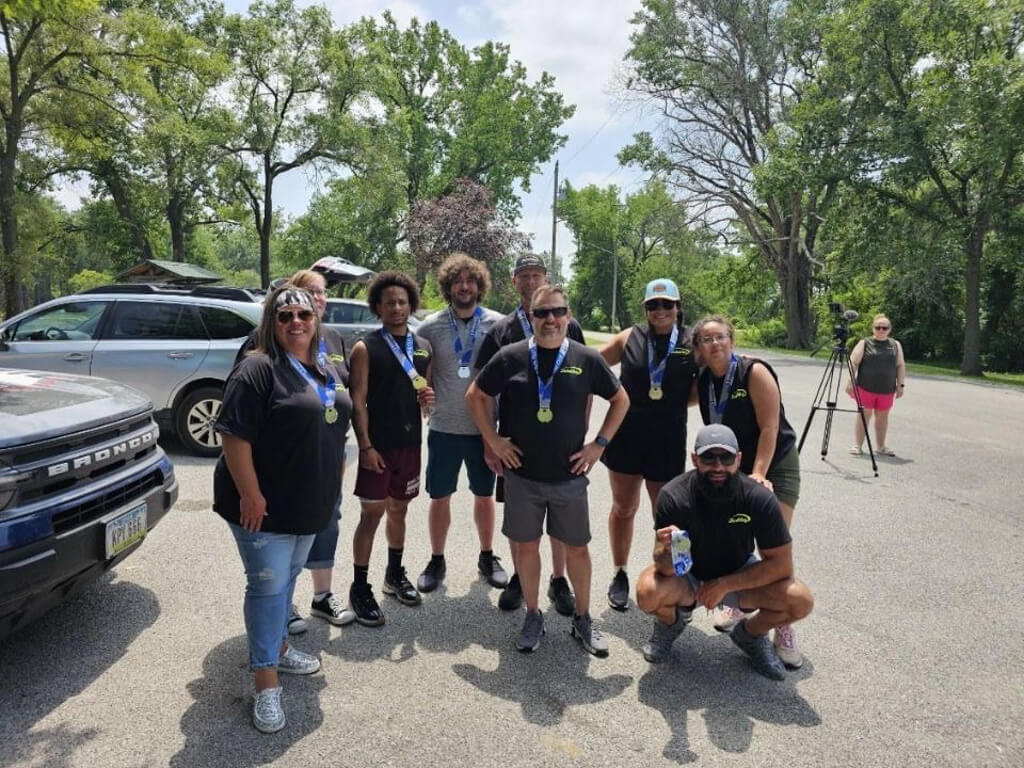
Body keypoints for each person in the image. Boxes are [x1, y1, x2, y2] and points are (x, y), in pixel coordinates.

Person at [214, 285, 351, 732]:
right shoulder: (257, 368)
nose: (296, 322)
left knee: (288, 579)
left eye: (304, 315)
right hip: (264, 505)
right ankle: (266, 684)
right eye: (285, 315)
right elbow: (233, 435)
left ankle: (279, 649)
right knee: (268, 588)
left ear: (316, 321)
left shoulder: (325, 365)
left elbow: (335, 425)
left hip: (308, 502)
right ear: (271, 322)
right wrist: (251, 495)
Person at [467, 285, 630, 656]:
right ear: (532, 317)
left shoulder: (586, 358)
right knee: (526, 548)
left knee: (577, 550)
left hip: (569, 477)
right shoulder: (510, 356)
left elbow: (620, 399)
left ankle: (583, 619)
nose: (550, 319)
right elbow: (475, 395)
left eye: (557, 311)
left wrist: (599, 445)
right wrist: (493, 441)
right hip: (522, 476)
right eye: (541, 313)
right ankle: (533, 614)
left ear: (568, 316)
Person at [635, 424, 813, 679]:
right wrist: (666, 551)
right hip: (690, 575)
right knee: (647, 592)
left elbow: (781, 566)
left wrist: (724, 585)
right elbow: (665, 568)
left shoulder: (759, 497)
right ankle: (670, 624)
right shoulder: (673, 496)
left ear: (738, 459)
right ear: (694, 459)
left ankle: (751, 635)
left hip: (738, 574)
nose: (718, 466)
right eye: (708, 458)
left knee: (800, 600)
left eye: (726, 458)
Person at [237, 269, 355, 633]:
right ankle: (283, 608)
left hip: (325, 460)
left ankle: (322, 596)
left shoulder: (333, 338)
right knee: (280, 552)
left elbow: (343, 393)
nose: (317, 299)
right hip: (284, 469)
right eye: (309, 293)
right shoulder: (261, 347)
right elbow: (243, 415)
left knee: (327, 525)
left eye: (321, 294)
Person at [475, 253, 586, 616]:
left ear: (546, 278)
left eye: (536, 274)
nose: (530, 281)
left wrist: (585, 435)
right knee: (520, 522)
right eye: (524, 275)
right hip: (515, 443)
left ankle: (558, 579)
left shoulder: (570, 325)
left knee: (560, 519)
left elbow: (586, 387)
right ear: (514, 282)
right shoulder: (502, 330)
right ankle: (521, 580)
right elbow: (482, 391)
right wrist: (491, 442)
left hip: (562, 446)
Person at [692, 314, 804, 668]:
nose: (715, 344)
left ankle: (782, 626)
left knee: (774, 548)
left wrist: (758, 474)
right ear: (699, 348)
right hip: (731, 468)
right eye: (707, 339)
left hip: (775, 464)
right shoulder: (704, 379)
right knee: (737, 540)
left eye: (720, 337)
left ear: (732, 340)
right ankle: (739, 604)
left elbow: (770, 427)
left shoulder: (753, 372)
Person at [598, 278, 697, 611]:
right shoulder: (630, 337)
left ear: (678, 307)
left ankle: (677, 577)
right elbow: (592, 365)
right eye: (653, 305)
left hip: (668, 439)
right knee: (624, 508)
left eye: (667, 304)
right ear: (645, 309)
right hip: (626, 436)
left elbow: (705, 385)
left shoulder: (691, 341)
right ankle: (620, 573)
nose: (660, 310)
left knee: (669, 516)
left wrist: (676, 403)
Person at [414, 253, 508, 594]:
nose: (464, 286)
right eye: (457, 281)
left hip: (484, 431)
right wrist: (421, 391)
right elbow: (418, 368)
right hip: (443, 428)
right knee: (440, 497)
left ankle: (487, 556)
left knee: (484, 496)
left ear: (479, 285)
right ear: (448, 287)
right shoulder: (429, 326)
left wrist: (499, 431)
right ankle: (436, 559)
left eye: (470, 281)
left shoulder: (498, 324)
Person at [348, 270, 434, 626]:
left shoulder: (424, 347)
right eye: (389, 303)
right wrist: (365, 446)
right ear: (378, 307)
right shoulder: (365, 348)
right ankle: (359, 587)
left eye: (402, 302)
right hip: (377, 447)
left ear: (411, 305)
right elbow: (358, 401)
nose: (397, 308)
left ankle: (394, 574)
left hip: (410, 445)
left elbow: (424, 393)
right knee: (372, 515)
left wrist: (428, 399)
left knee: (399, 510)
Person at [846, 314, 906, 456]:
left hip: (887, 389)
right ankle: (857, 446)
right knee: (864, 416)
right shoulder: (865, 343)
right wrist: (850, 381)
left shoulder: (895, 345)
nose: (881, 330)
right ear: (872, 328)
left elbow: (900, 365)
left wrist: (901, 385)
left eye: (884, 328)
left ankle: (881, 447)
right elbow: (853, 362)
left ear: (889, 329)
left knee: (882, 418)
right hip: (866, 387)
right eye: (878, 327)